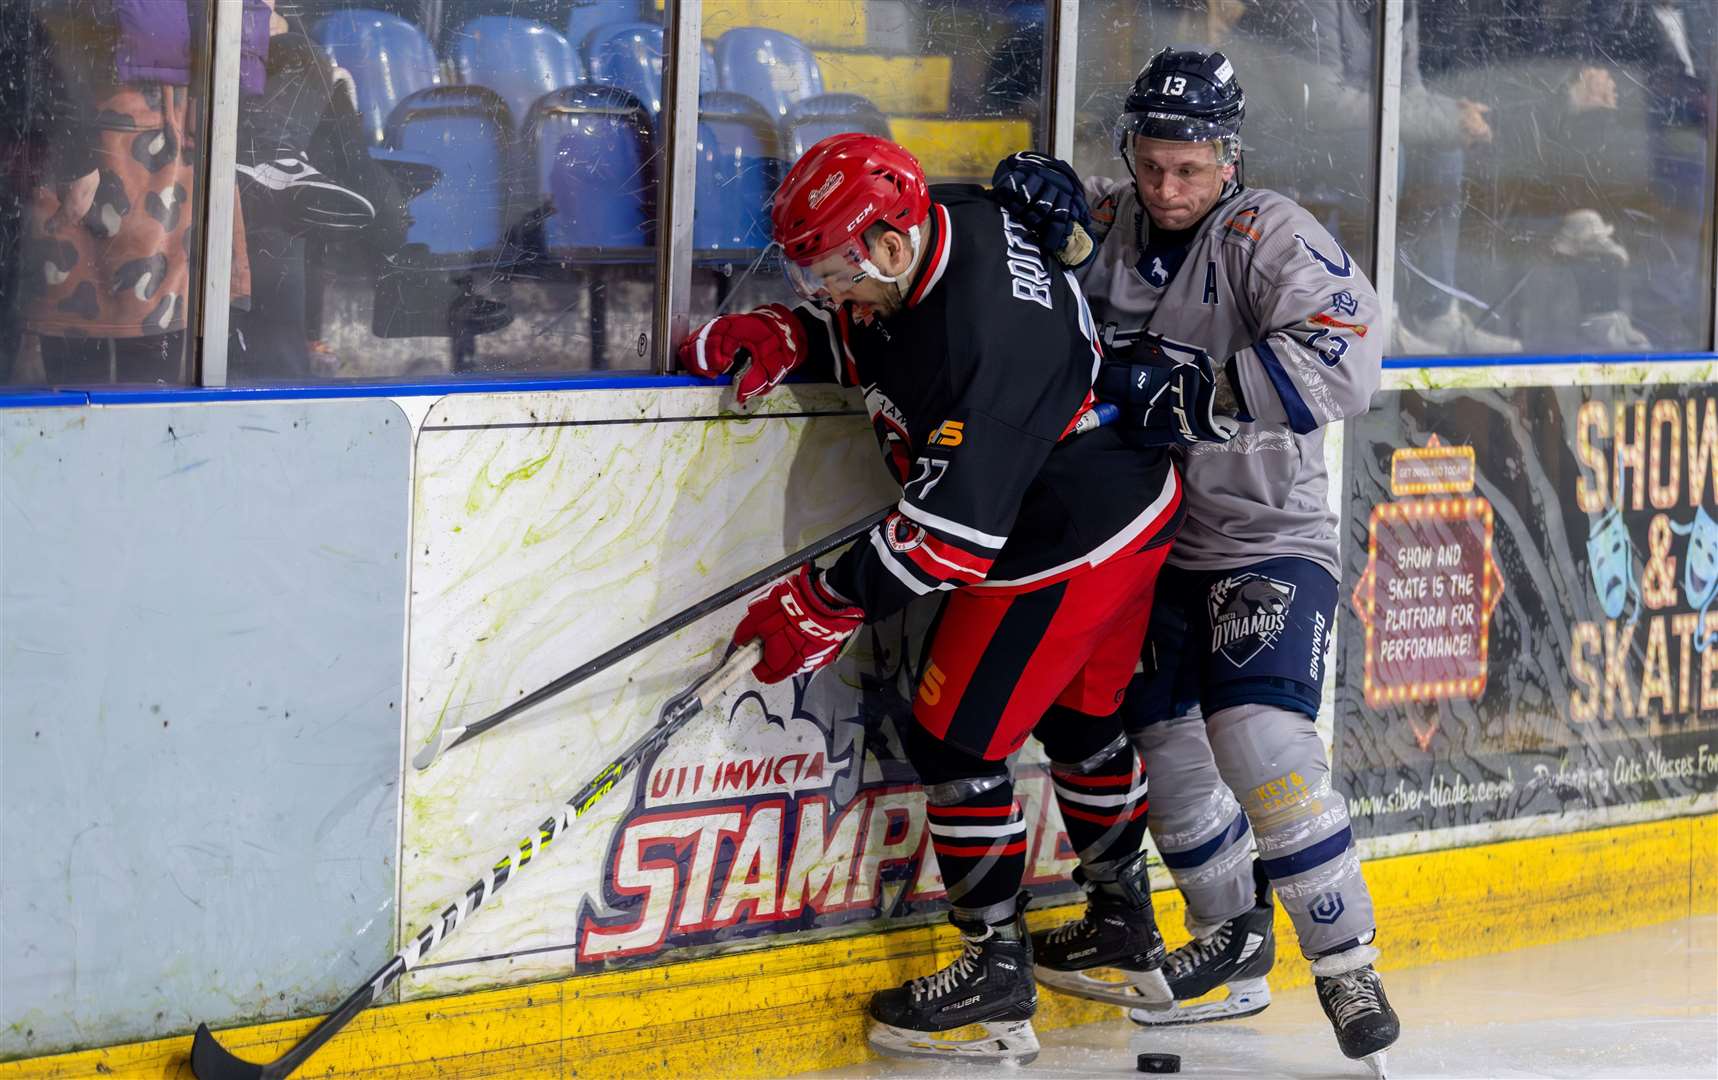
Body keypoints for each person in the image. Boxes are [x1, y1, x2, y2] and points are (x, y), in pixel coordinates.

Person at [677, 133, 1188, 1064]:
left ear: (886, 239)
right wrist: (803, 338)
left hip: (1061, 539)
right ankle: (1124, 929)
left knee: (953, 734)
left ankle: (995, 976)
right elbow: (890, 334)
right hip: (1126, 506)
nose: (828, 288)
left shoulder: (988, 344)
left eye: (833, 271)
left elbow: (946, 542)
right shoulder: (947, 218)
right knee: (1079, 722)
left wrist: (820, 602)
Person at [991, 46, 1399, 1076]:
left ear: (1228, 159)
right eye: (1151, 162)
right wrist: (1013, 201)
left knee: (1259, 742)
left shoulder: (1264, 232)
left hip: (1262, 536)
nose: (1168, 187)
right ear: (1131, 150)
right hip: (1146, 547)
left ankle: (1345, 962)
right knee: (1167, 759)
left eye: (1190, 167)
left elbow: (1349, 355)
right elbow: (1025, 250)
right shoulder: (1112, 216)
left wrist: (1204, 390)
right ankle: (1234, 947)